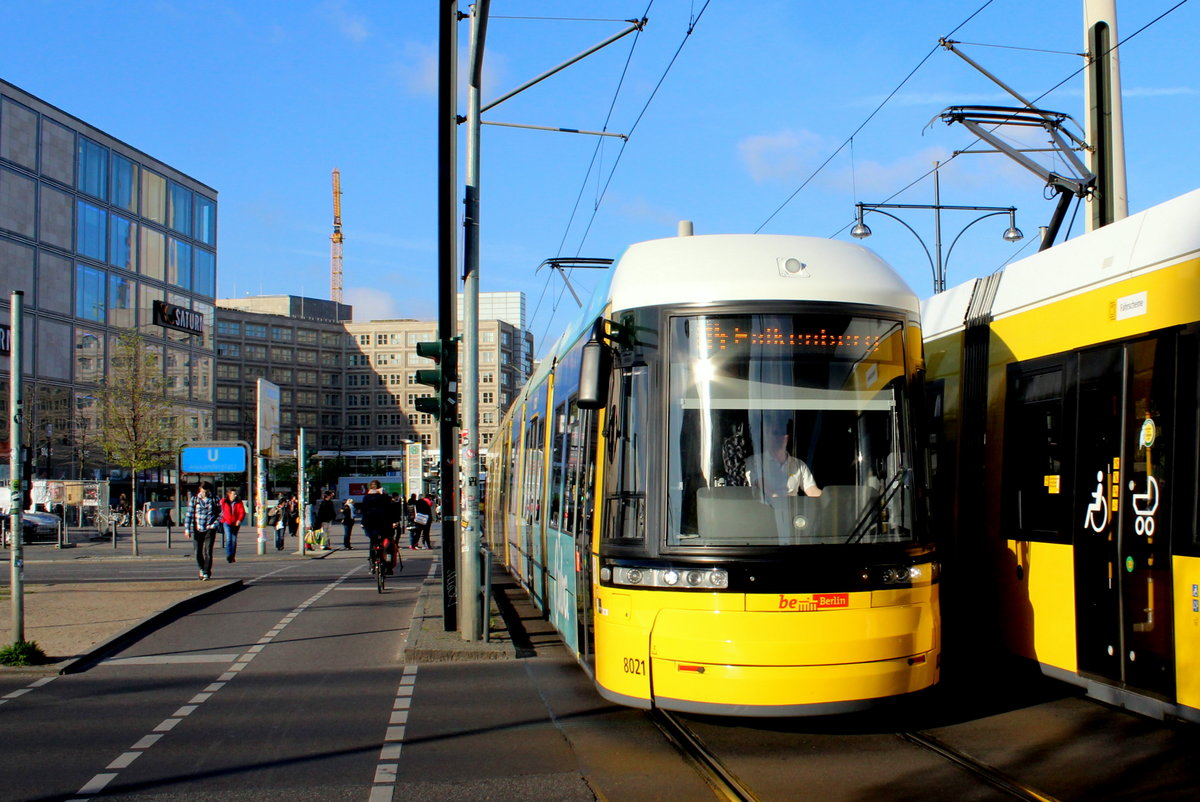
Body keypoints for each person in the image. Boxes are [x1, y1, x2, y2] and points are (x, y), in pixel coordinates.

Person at [744, 423, 821, 498]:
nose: (780, 437)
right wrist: (779, 502)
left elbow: (812, 490)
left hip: (793, 509)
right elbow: (761, 485)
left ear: (787, 438)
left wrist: (828, 499)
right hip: (765, 509)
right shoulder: (754, 461)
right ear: (767, 437)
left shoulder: (799, 465)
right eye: (775, 433)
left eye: (783, 433)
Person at [184, 482, 220, 581]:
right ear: (200, 490)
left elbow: (221, 513)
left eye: (206, 491)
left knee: (208, 551)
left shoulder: (214, 499)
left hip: (210, 528)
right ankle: (201, 568)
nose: (204, 494)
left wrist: (214, 524)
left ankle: (206, 572)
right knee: (197, 551)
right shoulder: (194, 499)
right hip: (197, 528)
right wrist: (187, 529)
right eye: (203, 491)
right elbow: (189, 514)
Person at [361, 480, 397, 574]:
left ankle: (372, 565)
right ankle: (388, 566)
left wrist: (363, 523)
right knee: (388, 543)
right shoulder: (385, 497)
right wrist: (394, 522)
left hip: (370, 525)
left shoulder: (366, 498)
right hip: (384, 524)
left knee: (373, 543)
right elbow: (390, 510)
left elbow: (363, 511)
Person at [220, 488, 246, 563]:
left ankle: (232, 556)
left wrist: (239, 520)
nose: (235, 495)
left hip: (235, 523)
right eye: (233, 494)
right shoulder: (224, 501)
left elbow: (242, 512)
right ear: (229, 494)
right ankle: (229, 555)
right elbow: (220, 510)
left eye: (235, 494)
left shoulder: (239, 502)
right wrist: (222, 519)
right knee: (229, 538)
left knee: (234, 540)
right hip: (227, 522)